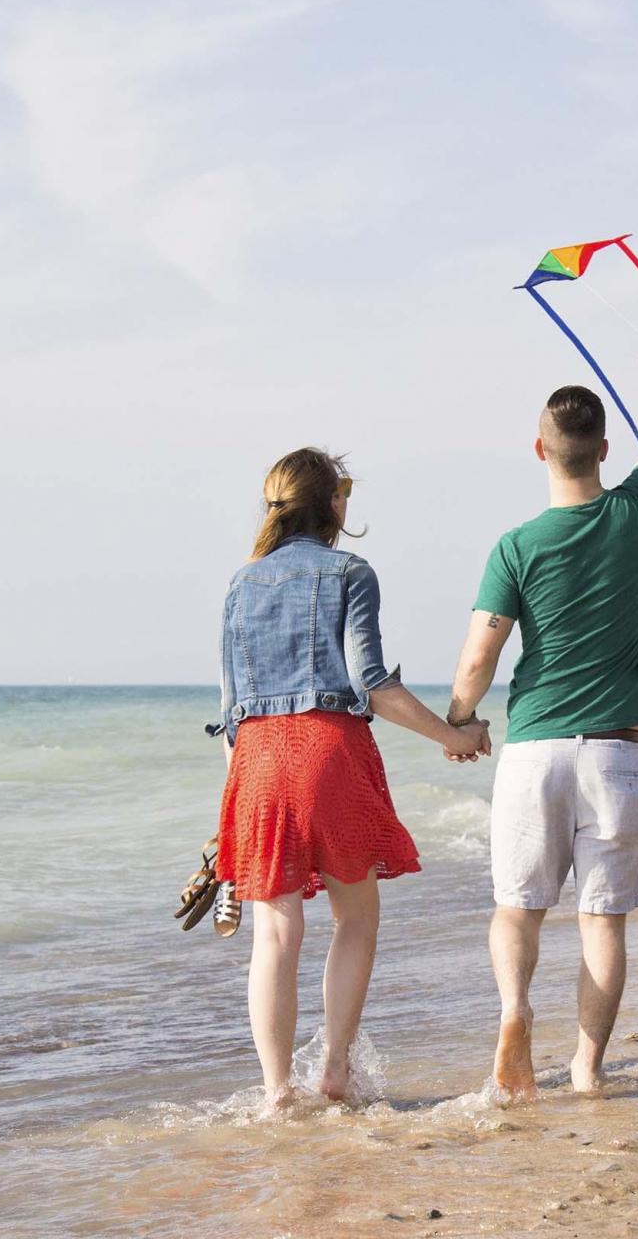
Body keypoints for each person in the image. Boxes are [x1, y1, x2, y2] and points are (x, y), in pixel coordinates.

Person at [217, 448, 488, 1111]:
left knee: (274, 933)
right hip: (329, 753)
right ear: (331, 504)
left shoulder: (239, 584)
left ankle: (278, 1091)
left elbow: (230, 717)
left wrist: (229, 813)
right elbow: (375, 684)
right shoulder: (349, 573)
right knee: (356, 917)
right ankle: (334, 1069)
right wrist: (455, 736)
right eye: (344, 496)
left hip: (256, 761)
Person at [447, 338, 638, 1101]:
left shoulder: (516, 546)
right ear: (605, 450)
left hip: (536, 751)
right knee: (601, 922)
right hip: (617, 754)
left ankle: (516, 1011)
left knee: (517, 909)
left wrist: (460, 721)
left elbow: (481, 658)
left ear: (539, 448)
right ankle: (586, 1069)